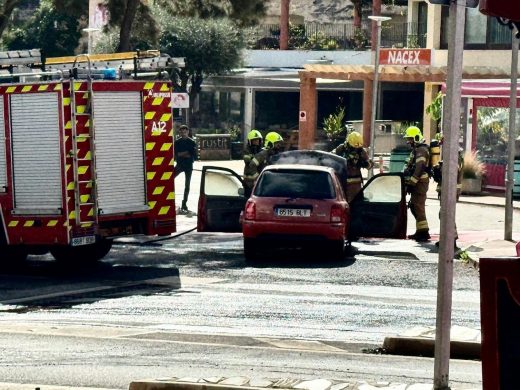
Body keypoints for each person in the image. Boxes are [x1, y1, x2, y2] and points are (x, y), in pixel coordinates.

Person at [431, 132, 464, 250]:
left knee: (447, 214)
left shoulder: (454, 156)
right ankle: (447, 239)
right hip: (447, 189)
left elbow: (452, 171)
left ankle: (451, 240)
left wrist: (441, 170)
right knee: (444, 214)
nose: (441, 145)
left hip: (451, 190)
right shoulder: (450, 154)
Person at [403, 126, 431, 242]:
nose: (408, 141)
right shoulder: (417, 150)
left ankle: (423, 232)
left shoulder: (421, 150)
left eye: (410, 139)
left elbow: (419, 168)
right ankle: (420, 231)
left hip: (420, 183)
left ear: (416, 137)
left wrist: (412, 183)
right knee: (414, 206)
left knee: (418, 207)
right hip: (417, 183)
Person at [331, 131, 373, 203]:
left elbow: (370, 165)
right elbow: (331, 158)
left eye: (358, 147)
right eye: (354, 147)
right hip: (343, 183)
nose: (356, 149)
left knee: (356, 204)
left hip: (356, 186)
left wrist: (363, 163)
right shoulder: (341, 148)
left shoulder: (361, 151)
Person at [174, 124, 197, 213]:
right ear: (180, 132)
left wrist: (182, 154)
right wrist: (187, 153)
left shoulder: (192, 142)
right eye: (182, 132)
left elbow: (194, 155)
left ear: (188, 132)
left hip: (188, 166)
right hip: (180, 164)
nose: (183, 133)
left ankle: (184, 203)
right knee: (169, 180)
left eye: (185, 132)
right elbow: (177, 154)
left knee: (187, 185)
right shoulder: (177, 142)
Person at [243, 129, 263, 197]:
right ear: (250, 141)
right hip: (248, 180)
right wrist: (257, 157)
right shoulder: (247, 150)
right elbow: (248, 161)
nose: (257, 142)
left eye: (258, 140)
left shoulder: (261, 151)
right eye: (255, 140)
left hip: (258, 178)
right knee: (248, 196)